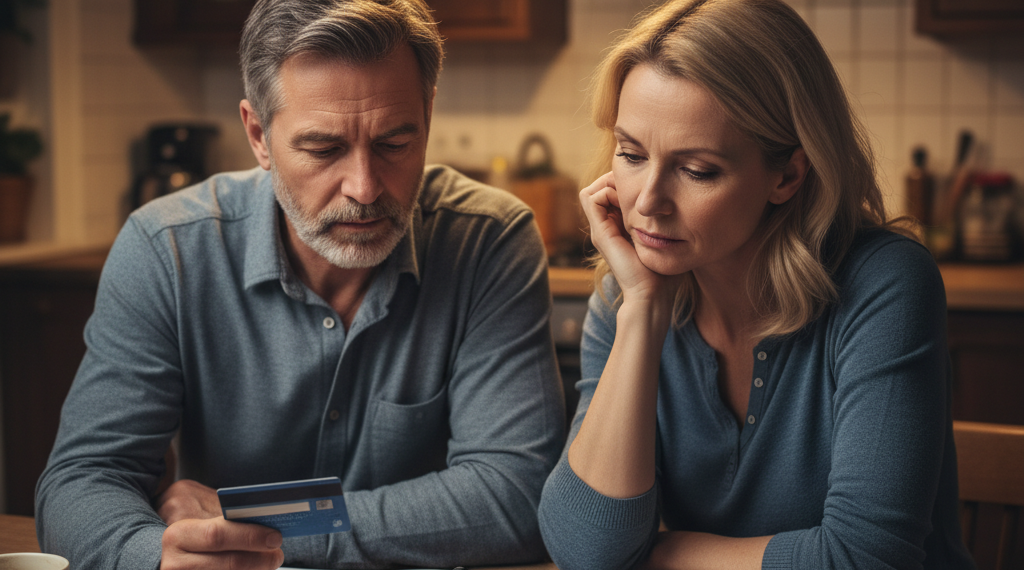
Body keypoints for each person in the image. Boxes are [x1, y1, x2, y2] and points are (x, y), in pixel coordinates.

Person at [36, 1, 565, 568]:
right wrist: (158, 557)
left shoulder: (489, 240)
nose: (364, 187)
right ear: (258, 135)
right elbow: (83, 480)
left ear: (428, 115)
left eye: (394, 143)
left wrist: (261, 523)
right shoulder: (166, 248)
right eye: (323, 149)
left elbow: (516, 495)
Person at [537, 0, 975, 568]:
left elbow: (866, 559)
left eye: (697, 170)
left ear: (787, 176)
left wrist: (656, 556)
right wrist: (642, 310)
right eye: (631, 154)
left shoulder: (885, 284)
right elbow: (585, 551)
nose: (646, 203)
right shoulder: (629, 294)